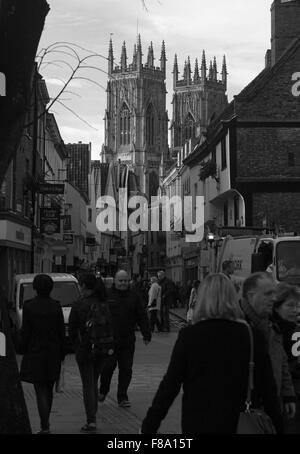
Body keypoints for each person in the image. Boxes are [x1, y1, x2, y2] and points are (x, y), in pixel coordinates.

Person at [141, 274, 283, 434]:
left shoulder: (190, 336)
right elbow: (269, 391)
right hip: (240, 425)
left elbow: (169, 387)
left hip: (199, 423)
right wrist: (278, 426)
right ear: (232, 297)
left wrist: (148, 427)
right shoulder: (252, 336)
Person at [240, 272, 297, 424]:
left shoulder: (272, 325)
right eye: (268, 294)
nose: (273, 298)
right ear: (251, 295)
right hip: (245, 410)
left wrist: (288, 395)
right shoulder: (237, 326)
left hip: (271, 404)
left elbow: (282, 362)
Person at [19, 274, 66, 434]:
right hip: (53, 352)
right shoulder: (56, 306)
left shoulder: (29, 306)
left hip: (35, 352)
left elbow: (26, 331)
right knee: (49, 387)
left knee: (40, 390)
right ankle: (46, 424)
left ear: (35, 287)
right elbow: (61, 332)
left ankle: (44, 425)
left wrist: (22, 348)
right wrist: (63, 352)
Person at [98, 270, 151, 408]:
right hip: (109, 340)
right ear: (115, 281)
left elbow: (141, 316)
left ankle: (122, 396)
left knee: (126, 369)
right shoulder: (107, 295)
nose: (123, 283)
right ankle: (103, 390)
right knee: (107, 367)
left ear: (129, 282)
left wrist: (146, 334)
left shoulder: (134, 297)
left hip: (127, 340)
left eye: (126, 281)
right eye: (121, 280)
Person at [68, 274, 111, 433]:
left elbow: (72, 331)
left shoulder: (79, 305)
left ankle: (91, 420)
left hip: (85, 350)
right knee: (94, 380)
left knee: (88, 384)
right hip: (102, 349)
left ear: (85, 286)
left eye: (80, 285)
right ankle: (92, 416)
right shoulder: (103, 303)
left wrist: (76, 345)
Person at [273, 282, 300, 433]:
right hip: (282, 399)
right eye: (290, 306)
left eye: (297, 305)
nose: (295, 310)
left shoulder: (295, 330)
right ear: (276, 306)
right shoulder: (270, 332)